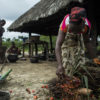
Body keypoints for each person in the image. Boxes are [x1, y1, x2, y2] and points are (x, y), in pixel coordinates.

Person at [55, 7, 96, 77]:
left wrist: (94, 59)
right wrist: (59, 65)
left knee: (80, 67)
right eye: (71, 30)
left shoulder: (87, 26)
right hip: (67, 43)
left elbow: (86, 41)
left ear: (82, 24)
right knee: (66, 68)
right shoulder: (65, 23)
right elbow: (58, 45)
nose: (73, 32)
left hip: (79, 43)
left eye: (76, 30)